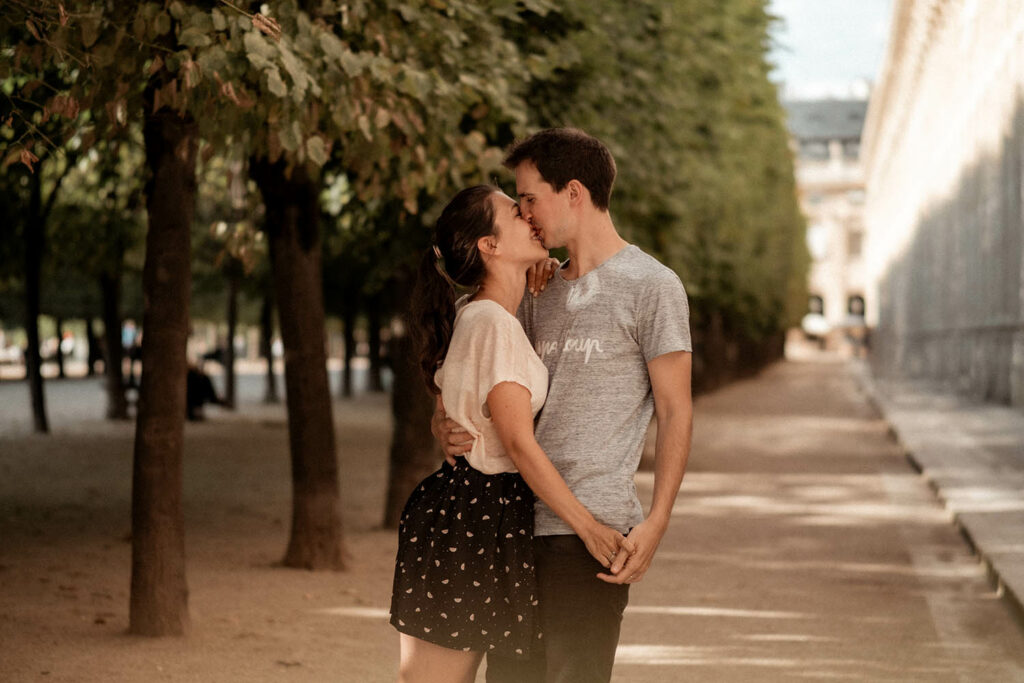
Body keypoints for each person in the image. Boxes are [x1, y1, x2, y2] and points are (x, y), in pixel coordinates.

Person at [434, 128, 694, 683]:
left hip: (592, 534)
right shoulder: (534, 286)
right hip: (510, 524)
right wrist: (444, 419)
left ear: (573, 192)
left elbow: (676, 411)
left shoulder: (653, 286)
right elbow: (483, 369)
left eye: (530, 197)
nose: (525, 213)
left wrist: (657, 520)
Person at [391, 185, 634, 683]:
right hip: (474, 514)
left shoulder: (480, 312)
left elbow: (453, 402)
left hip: (480, 511)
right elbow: (519, 444)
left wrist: (444, 423)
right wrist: (589, 528)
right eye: (514, 211)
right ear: (490, 245)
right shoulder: (491, 324)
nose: (528, 214)